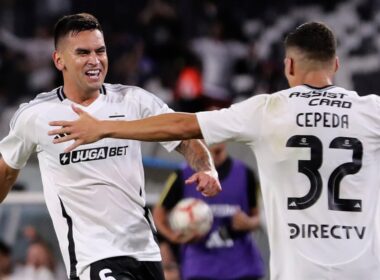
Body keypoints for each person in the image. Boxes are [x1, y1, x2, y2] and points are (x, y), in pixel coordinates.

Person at [49, 21, 380, 279]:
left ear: (289, 66)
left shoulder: (268, 111)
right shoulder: (372, 112)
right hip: (366, 270)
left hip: (298, 273)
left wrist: (104, 127)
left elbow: (180, 125)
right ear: (336, 64)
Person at [0, 13, 221, 280]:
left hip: (146, 252)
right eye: (83, 53)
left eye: (100, 51)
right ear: (59, 60)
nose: (95, 60)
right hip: (93, 255)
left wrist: (206, 167)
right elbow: (6, 171)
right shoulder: (35, 115)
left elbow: (185, 137)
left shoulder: (134, 101)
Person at [154, 142, 265, 280]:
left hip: (242, 267)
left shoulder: (246, 173)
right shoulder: (182, 175)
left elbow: (258, 217)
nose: (214, 139)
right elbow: (158, 215)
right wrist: (173, 237)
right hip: (200, 268)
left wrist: (248, 223)